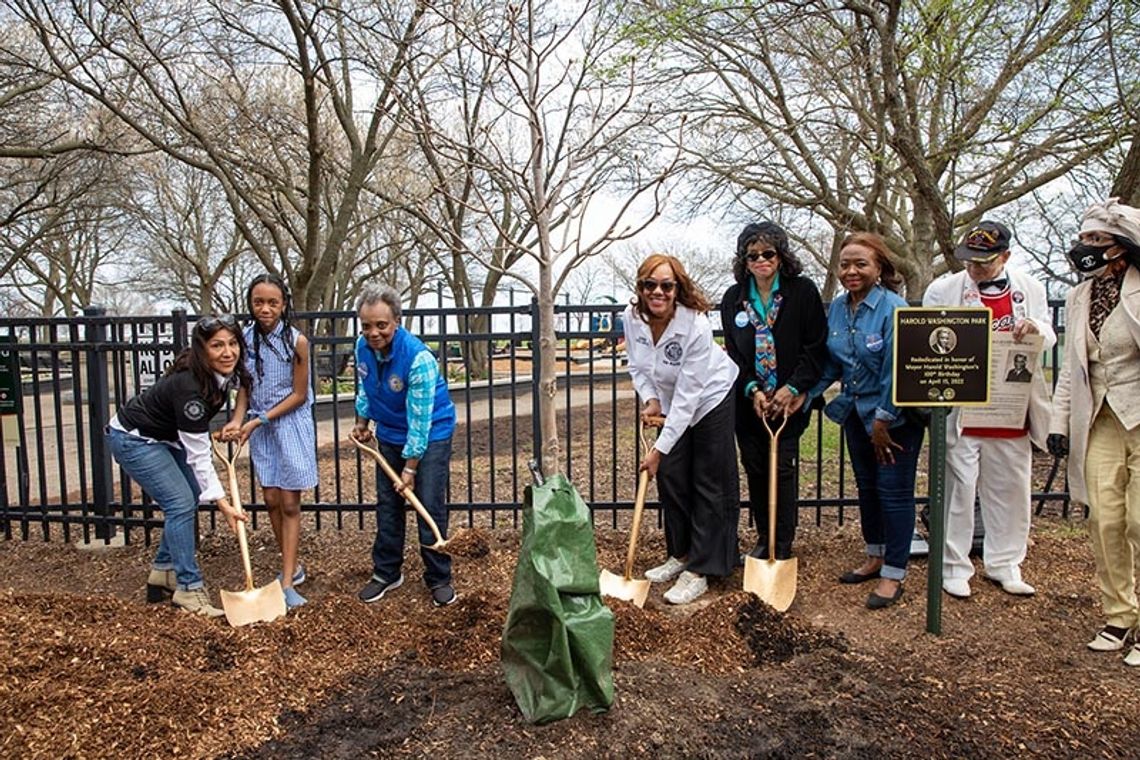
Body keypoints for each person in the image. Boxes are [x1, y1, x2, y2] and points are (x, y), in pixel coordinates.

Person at [923, 220, 1055, 599]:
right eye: (970, 261)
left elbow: (1048, 332)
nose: (975, 269)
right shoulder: (944, 289)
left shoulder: (1031, 288)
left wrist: (1035, 331)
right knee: (958, 490)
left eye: (984, 262)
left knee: (1011, 490)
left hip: (1011, 406)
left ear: (1006, 257)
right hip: (965, 409)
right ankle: (953, 565)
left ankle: (1005, 562)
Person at [808, 232, 924, 609]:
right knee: (868, 489)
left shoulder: (893, 307)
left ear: (879, 268)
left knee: (893, 492)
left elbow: (897, 368)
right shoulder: (839, 309)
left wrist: (883, 421)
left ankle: (894, 573)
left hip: (892, 423)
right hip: (857, 416)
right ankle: (874, 555)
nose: (851, 271)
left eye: (861, 263)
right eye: (845, 264)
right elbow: (833, 363)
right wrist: (802, 395)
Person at [106, 315, 249, 617]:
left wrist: (235, 421)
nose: (228, 352)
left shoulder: (222, 373)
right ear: (202, 350)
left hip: (164, 439)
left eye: (233, 343)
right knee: (181, 504)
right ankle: (188, 587)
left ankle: (164, 571)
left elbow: (244, 384)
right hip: (134, 439)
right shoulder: (190, 390)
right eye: (217, 345)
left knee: (186, 500)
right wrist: (224, 505)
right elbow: (199, 456)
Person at [1048, 198, 1140, 667]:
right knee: (1104, 518)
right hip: (1100, 417)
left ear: (1120, 246)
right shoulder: (1081, 294)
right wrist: (1059, 423)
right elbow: (1071, 367)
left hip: (1139, 416)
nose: (1083, 247)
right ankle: (1119, 615)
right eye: (1082, 238)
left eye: (1094, 240)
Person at [623, 253, 740, 605]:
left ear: (678, 288)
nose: (657, 292)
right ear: (640, 287)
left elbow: (690, 395)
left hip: (709, 397)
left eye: (666, 285)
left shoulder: (696, 326)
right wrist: (651, 399)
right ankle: (683, 553)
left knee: (708, 480)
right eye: (649, 284)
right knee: (672, 476)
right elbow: (637, 366)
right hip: (673, 402)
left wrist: (659, 449)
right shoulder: (631, 318)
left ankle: (702, 569)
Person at [720, 222, 827, 561]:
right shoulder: (734, 299)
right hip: (751, 404)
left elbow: (815, 347)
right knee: (755, 468)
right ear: (744, 260)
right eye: (753, 255)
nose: (761, 260)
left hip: (789, 403)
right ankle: (764, 537)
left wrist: (792, 388)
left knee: (782, 471)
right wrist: (752, 389)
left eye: (769, 253)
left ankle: (782, 544)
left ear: (781, 256)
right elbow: (734, 353)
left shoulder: (802, 292)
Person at [351, 285, 459, 608]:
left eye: (381, 325)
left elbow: (420, 422)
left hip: (431, 432)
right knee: (387, 503)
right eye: (367, 325)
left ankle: (439, 577)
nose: (373, 332)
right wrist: (361, 422)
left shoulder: (418, 358)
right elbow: (365, 387)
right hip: (390, 433)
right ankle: (387, 572)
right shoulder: (362, 347)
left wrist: (410, 468)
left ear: (396, 321)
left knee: (428, 503)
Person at [222, 274, 318, 610]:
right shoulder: (244, 340)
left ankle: (287, 582)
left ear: (284, 304)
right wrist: (237, 420)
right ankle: (293, 566)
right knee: (271, 499)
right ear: (250, 303)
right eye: (259, 302)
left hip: (288, 424)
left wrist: (259, 420)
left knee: (290, 502)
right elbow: (244, 390)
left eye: (273, 302)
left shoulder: (297, 342)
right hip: (260, 426)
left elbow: (299, 394)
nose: (265, 309)